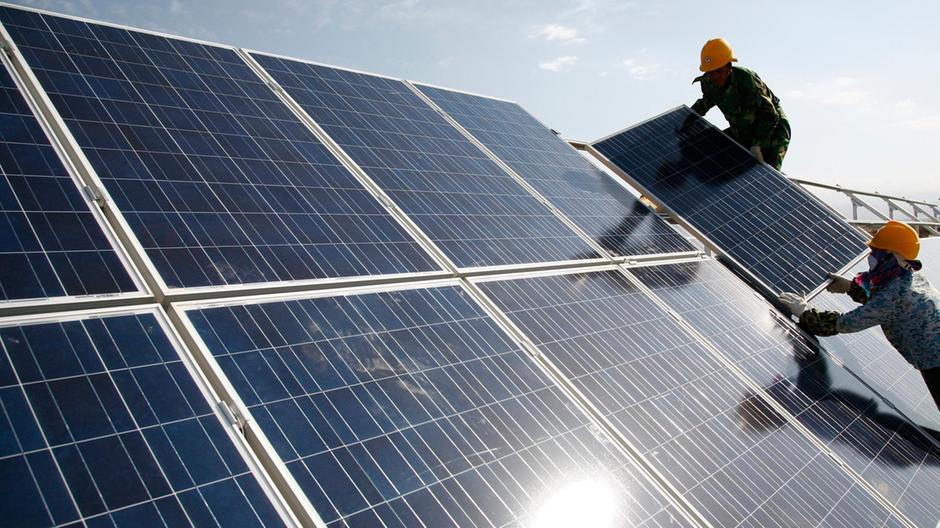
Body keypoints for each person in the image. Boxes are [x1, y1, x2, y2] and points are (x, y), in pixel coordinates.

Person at [778, 220, 940, 410]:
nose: (871, 257)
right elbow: (887, 303)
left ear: (890, 256)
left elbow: (846, 323)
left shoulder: (892, 294)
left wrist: (804, 312)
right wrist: (851, 287)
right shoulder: (910, 276)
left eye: (875, 253)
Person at [690, 38, 791, 171]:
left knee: (765, 177)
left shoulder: (747, 81)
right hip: (742, 130)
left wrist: (757, 144)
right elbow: (706, 102)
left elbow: (770, 115)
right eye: (710, 72)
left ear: (728, 67)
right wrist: (685, 120)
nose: (715, 76)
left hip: (772, 130)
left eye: (719, 71)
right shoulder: (708, 82)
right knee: (709, 146)